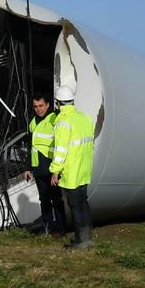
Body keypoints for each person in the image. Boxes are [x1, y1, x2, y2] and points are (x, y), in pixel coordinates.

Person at [49, 84, 96, 250]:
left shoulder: (62, 122)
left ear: (58, 103)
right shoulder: (84, 118)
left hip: (72, 172)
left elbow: (60, 150)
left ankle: (81, 241)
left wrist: (55, 171)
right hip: (84, 170)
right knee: (83, 203)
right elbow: (90, 145)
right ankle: (87, 237)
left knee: (75, 206)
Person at [21, 94, 65, 236]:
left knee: (56, 200)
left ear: (47, 105)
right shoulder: (33, 122)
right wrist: (27, 168)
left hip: (52, 167)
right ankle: (48, 228)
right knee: (44, 200)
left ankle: (60, 229)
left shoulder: (55, 119)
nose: (38, 109)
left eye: (41, 106)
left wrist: (57, 169)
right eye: (35, 106)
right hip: (38, 168)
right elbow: (30, 147)